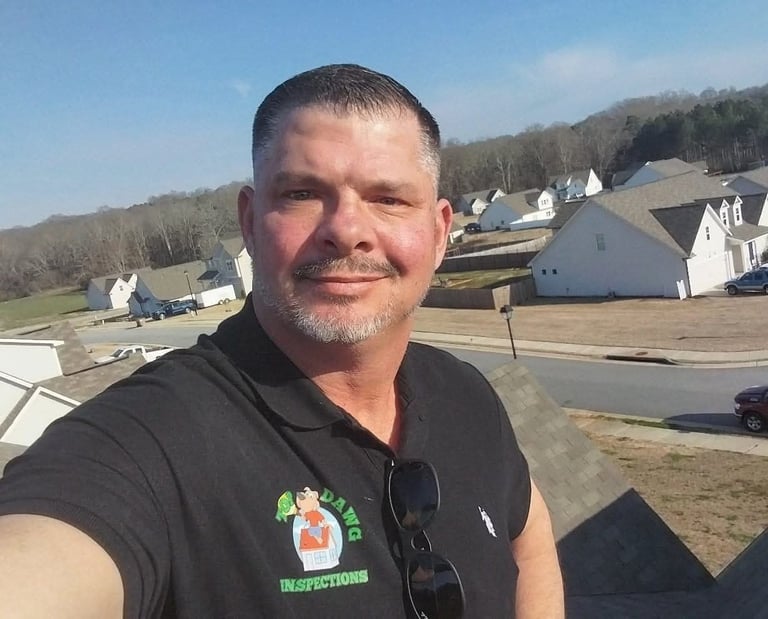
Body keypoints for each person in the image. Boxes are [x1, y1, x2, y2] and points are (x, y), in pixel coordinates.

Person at [0, 64, 563, 618]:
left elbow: (527, 527)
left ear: (440, 233)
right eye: (301, 193)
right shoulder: (145, 444)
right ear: (249, 223)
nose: (346, 229)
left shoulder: (466, 394)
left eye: (389, 198)